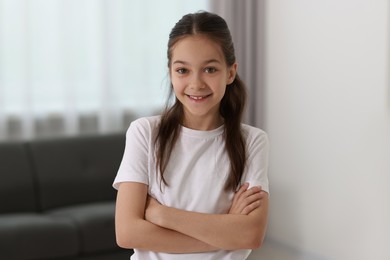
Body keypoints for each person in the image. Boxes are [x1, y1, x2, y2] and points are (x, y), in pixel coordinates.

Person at [113, 11, 269, 260]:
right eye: (183, 70)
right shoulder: (144, 133)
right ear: (171, 73)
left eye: (209, 69)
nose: (196, 84)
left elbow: (250, 234)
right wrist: (225, 231)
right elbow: (127, 232)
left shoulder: (252, 141)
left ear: (230, 73)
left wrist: (162, 215)